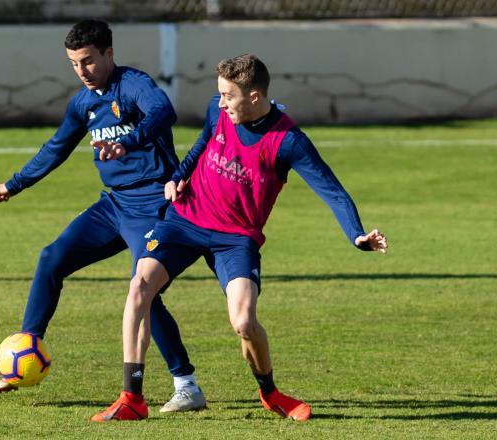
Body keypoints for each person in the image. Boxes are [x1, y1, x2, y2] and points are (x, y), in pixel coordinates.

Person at [91, 54, 388, 422]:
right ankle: (132, 397)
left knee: (244, 322)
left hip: (235, 238)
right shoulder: (218, 112)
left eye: (228, 96)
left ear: (253, 97)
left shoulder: (288, 140)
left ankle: (270, 393)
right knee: (140, 286)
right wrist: (179, 175)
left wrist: (357, 235)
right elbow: (202, 144)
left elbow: (332, 191)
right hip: (184, 221)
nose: (220, 103)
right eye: (219, 94)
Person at [0, 20, 206, 412]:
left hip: (154, 204)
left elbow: (164, 111)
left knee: (144, 291)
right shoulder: (83, 103)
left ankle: (186, 385)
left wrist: (128, 141)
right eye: (74, 64)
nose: (82, 71)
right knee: (52, 257)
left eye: (88, 61)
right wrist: (14, 184)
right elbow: (57, 147)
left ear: (108, 54)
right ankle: (25, 351)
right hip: (115, 205)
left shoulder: (133, 84)